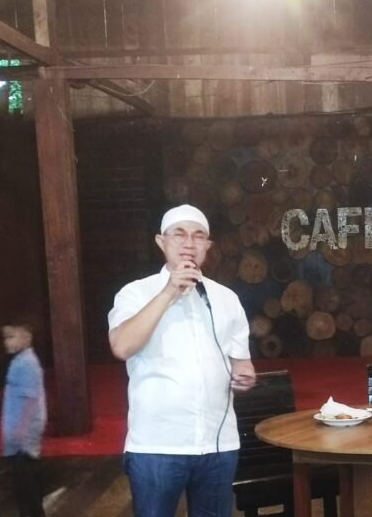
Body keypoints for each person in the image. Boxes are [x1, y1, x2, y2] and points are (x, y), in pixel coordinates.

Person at [108, 204, 257, 517]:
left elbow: (241, 363)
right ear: (161, 242)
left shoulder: (226, 298)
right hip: (157, 446)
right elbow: (122, 346)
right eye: (179, 234)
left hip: (218, 443)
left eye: (198, 236)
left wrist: (244, 376)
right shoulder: (135, 293)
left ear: (208, 246)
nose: (189, 243)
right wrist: (168, 293)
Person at [1, 318, 48, 517]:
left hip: (22, 436)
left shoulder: (26, 363)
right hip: (19, 434)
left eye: (11, 336)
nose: (7, 342)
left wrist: (20, 430)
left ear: (26, 337)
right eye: (5, 337)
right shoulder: (20, 361)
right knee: (25, 483)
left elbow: (29, 400)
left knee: (26, 486)